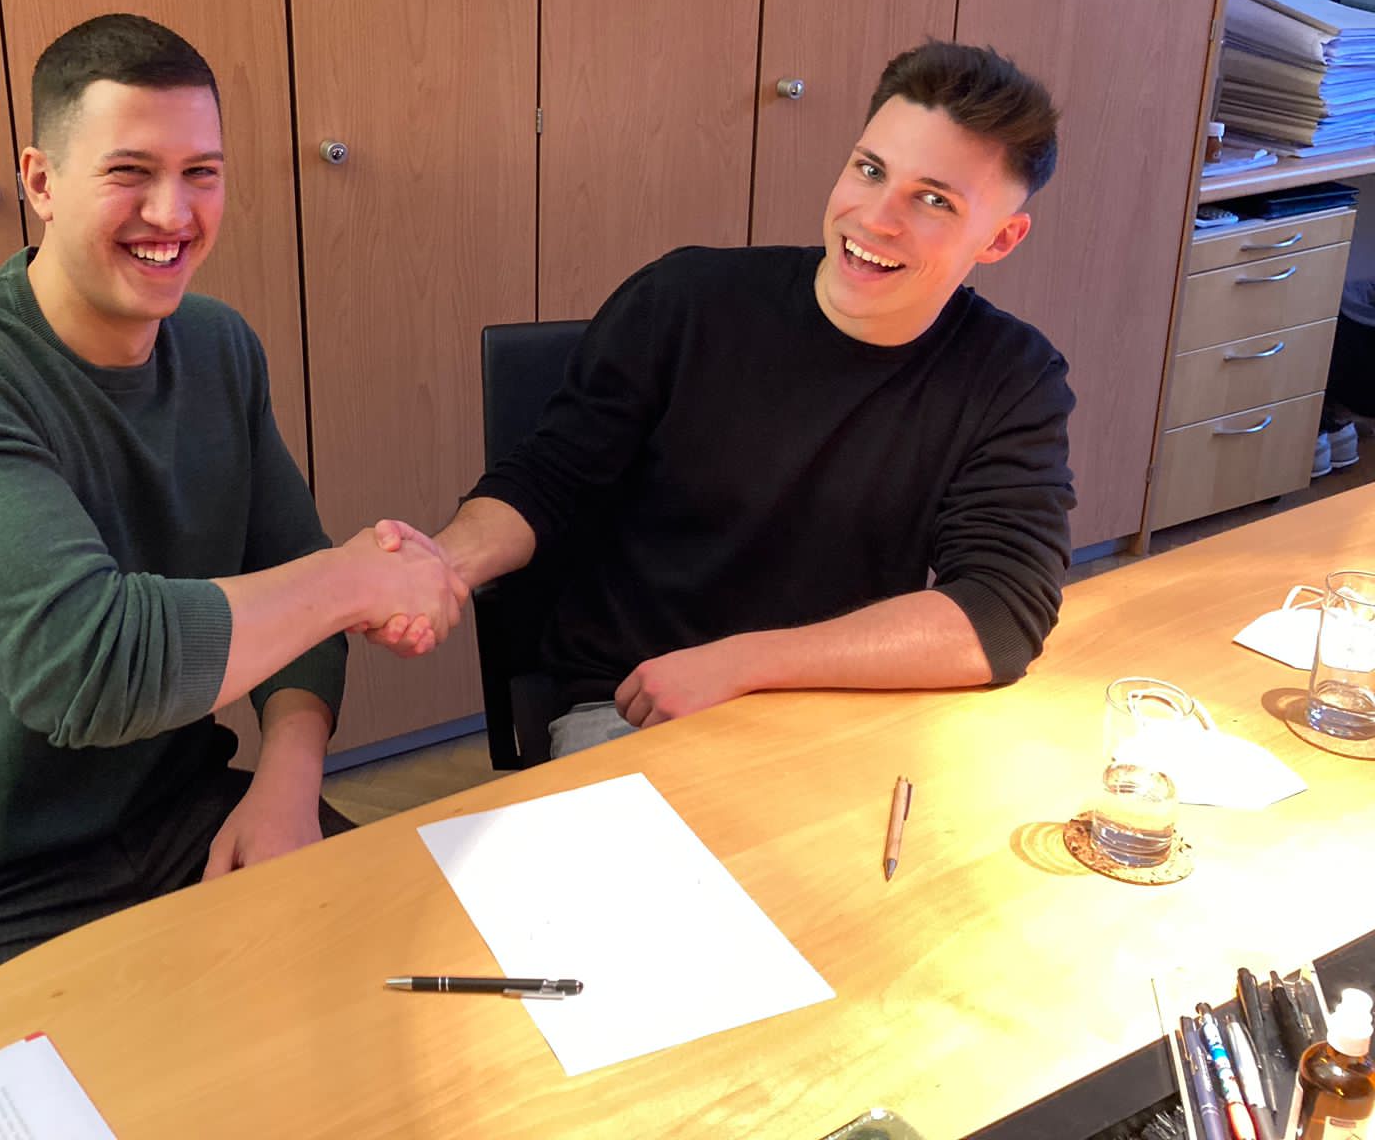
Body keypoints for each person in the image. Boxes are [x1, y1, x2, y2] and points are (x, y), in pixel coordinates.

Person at [0, 13, 465, 1040]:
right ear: (39, 181)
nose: (172, 212)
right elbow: (92, 670)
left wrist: (287, 782)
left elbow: (293, 585)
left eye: (202, 173)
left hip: (176, 814)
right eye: (130, 172)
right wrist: (360, 579)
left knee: (423, 1026)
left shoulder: (218, 347)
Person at [413, 40, 1075, 759]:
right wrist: (436, 566)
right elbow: (549, 483)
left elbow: (1000, 612)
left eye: (934, 200)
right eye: (870, 170)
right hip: (636, 706)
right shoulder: (685, 301)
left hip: (841, 703)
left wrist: (745, 664)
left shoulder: (1012, 375)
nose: (875, 219)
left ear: (1000, 239)